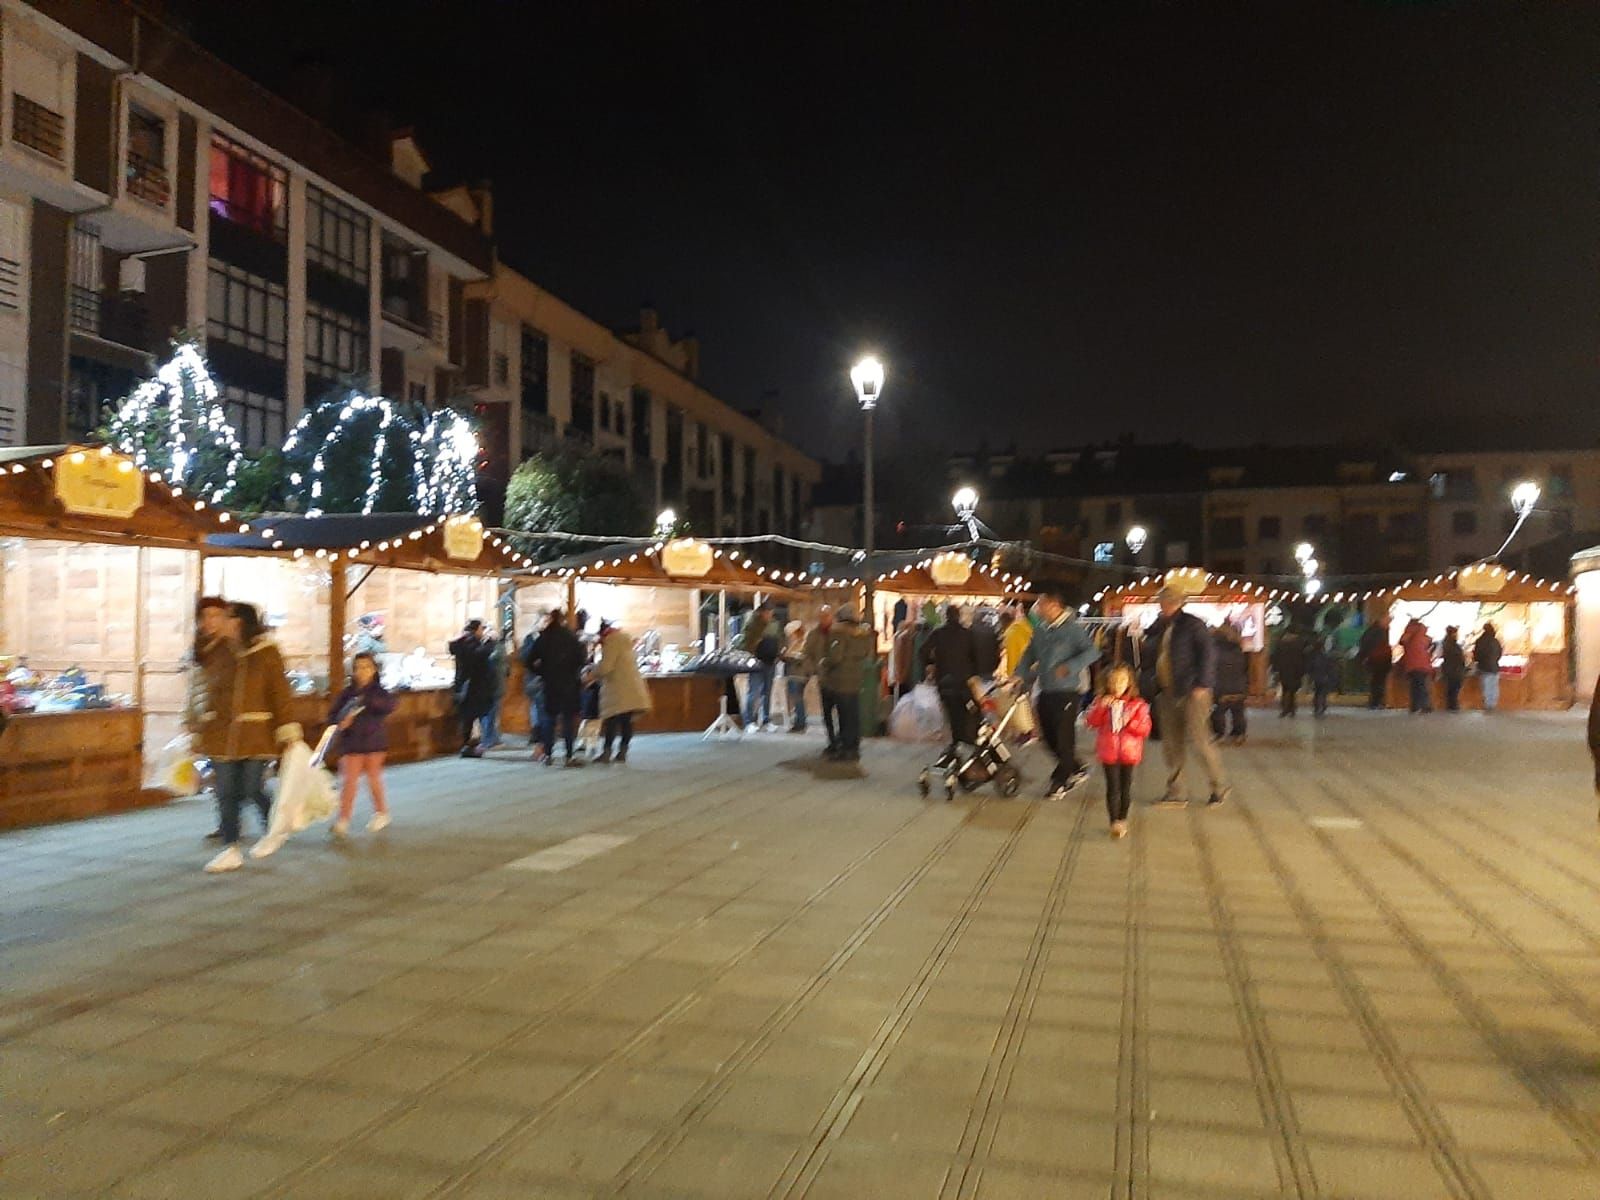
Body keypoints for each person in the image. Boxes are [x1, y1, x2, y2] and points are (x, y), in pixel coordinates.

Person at [200, 603, 298, 873]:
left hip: (257, 734)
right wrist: (201, 724)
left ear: (241, 621)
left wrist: (287, 727)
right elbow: (208, 692)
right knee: (225, 792)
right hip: (222, 735)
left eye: (226, 617)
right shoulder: (217, 652)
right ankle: (230, 848)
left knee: (251, 787)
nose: (218, 622)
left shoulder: (267, 653)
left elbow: (280, 692)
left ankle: (275, 826)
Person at [1143, 585, 1230, 808]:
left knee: (1200, 740)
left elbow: (1208, 654)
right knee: (1172, 744)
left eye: (1167, 600)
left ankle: (1218, 786)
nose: (1163, 604)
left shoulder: (1192, 624)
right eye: (1162, 600)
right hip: (1166, 690)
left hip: (1192, 690)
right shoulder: (1159, 626)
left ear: (1178, 602)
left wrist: (1203, 683)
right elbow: (1150, 651)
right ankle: (1176, 791)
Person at [1016, 588, 1100, 800]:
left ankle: (1061, 781)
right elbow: (1029, 654)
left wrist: (1070, 666)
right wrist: (1019, 674)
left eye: (1041, 604)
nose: (1038, 609)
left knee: (1064, 738)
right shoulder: (1042, 630)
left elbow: (1092, 652)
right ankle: (1076, 766)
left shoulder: (1073, 630)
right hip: (1045, 688)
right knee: (1047, 736)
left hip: (1067, 691)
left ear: (1054, 606)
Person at [189, 596, 259, 842]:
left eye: (216, 616)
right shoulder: (201, 648)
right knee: (223, 782)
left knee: (245, 784)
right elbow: (197, 687)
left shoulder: (234, 649)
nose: (209, 622)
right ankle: (229, 828)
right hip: (212, 724)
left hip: (236, 725)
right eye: (205, 616)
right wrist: (193, 719)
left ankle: (246, 821)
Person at [328, 651, 395, 836]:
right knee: (348, 781)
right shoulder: (347, 693)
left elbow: (388, 706)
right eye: (358, 668)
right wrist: (340, 721)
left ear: (374, 670)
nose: (362, 671)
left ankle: (382, 812)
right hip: (351, 742)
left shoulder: (379, 692)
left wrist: (366, 699)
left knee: (373, 779)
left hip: (374, 742)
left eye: (366, 667)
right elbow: (333, 715)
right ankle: (343, 819)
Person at [1084, 664, 1152, 839]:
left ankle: (1123, 818)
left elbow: (1145, 728)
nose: (1117, 686)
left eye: (1122, 681)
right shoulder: (1102, 702)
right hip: (1109, 751)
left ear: (1129, 682)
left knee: (1125, 787)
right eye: (1113, 682)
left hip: (1129, 752)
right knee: (1112, 787)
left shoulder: (1138, 705)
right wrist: (1100, 707)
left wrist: (1129, 722)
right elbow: (1091, 722)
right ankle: (1114, 821)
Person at [920, 604, 982, 759]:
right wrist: (973, 672)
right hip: (964, 681)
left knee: (952, 713)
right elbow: (976, 656)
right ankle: (968, 741)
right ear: (959, 616)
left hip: (944, 681)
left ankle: (956, 742)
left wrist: (931, 664)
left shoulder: (938, 633)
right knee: (969, 711)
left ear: (946, 616)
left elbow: (922, 651)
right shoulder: (967, 634)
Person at [529, 609, 585, 766]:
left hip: (550, 684)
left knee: (549, 720)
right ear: (563, 620)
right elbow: (581, 659)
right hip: (569, 684)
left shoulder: (543, 637)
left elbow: (529, 660)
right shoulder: (571, 638)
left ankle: (548, 754)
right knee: (568, 721)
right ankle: (568, 755)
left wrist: (542, 672)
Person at [594, 619, 651, 763]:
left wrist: (593, 671)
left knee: (611, 720)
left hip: (617, 688)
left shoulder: (611, 642)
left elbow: (606, 667)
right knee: (626, 721)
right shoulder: (625, 640)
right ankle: (623, 752)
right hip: (632, 687)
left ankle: (606, 752)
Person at [821, 604, 872, 763]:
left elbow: (836, 656)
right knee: (853, 716)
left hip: (840, 680)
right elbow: (865, 653)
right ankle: (854, 748)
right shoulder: (862, 632)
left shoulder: (838, 631)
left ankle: (845, 750)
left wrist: (825, 662)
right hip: (856, 679)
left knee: (844, 717)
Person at [448, 619, 497, 757]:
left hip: (464, 685)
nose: (483, 632)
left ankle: (468, 745)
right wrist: (490, 642)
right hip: (473, 687)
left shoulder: (462, 642)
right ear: (476, 630)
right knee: (473, 716)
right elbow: (478, 657)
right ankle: (469, 746)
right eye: (481, 629)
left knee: (468, 718)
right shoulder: (471, 643)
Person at [740, 601, 780, 731]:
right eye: (767, 612)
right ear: (761, 612)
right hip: (756, 661)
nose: (769, 614)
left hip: (770, 661)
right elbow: (746, 642)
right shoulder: (753, 624)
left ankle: (766, 720)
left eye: (771, 612)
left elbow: (778, 640)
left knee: (767, 692)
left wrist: (778, 653)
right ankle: (749, 721)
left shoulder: (774, 624)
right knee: (754, 692)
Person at [1210, 623, 1249, 744]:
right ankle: (1239, 733)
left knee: (1218, 712)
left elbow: (1211, 670)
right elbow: (1245, 668)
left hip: (1221, 687)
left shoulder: (1214, 652)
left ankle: (1219, 733)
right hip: (1238, 686)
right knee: (1238, 712)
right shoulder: (1239, 650)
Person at [519, 625, 548, 760]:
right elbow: (525, 658)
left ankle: (541, 745)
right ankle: (539, 739)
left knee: (541, 711)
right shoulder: (531, 638)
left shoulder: (548, 638)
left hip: (543, 680)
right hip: (534, 680)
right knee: (537, 709)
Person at [1400, 618, 1434, 714]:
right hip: (1424, 664)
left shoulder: (1410, 632)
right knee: (1422, 685)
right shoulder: (1423, 634)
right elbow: (1430, 642)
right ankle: (1424, 705)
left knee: (1415, 686)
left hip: (1413, 664)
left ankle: (1417, 706)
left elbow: (1402, 641)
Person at [1271, 626, 1307, 718]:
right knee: (1292, 691)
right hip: (1295, 671)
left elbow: (1275, 657)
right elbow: (1302, 658)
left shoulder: (1281, 643)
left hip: (1284, 670)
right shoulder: (1299, 643)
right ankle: (1291, 709)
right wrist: (1303, 670)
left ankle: (1285, 709)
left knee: (1285, 689)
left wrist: (1275, 669)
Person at [782, 620, 811, 733]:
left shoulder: (804, 643)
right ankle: (799, 721)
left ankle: (801, 722)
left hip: (799, 674)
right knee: (796, 698)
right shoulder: (795, 643)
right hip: (794, 674)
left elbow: (802, 657)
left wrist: (790, 656)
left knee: (798, 698)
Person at [1358, 616, 1392, 709]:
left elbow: (1364, 645)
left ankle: (1375, 702)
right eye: (1388, 622)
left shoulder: (1372, 631)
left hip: (1376, 661)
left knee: (1376, 682)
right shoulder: (1379, 632)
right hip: (1379, 661)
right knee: (1378, 682)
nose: (1389, 625)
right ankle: (1376, 702)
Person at [1474, 622, 1503, 711]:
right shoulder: (1496, 641)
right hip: (1495, 667)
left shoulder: (1480, 641)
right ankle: (1493, 704)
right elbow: (1499, 653)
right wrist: (1495, 660)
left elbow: (1476, 655)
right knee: (1494, 686)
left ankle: (1488, 705)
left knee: (1486, 687)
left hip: (1484, 668)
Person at [1309, 635, 1340, 718]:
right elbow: (1330, 668)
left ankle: (1318, 707)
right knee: (1322, 693)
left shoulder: (1313, 656)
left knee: (1317, 692)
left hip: (1317, 678)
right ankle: (1322, 706)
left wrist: (1311, 676)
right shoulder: (1325, 656)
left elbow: (1310, 668)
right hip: (1324, 677)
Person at [1000, 604, 1034, 678]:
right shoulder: (1028, 627)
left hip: (1018, 673)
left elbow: (1012, 657)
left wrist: (1010, 676)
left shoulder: (1011, 632)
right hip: (1029, 671)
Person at [1440, 626, 1467, 712]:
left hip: (1449, 669)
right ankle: (1453, 705)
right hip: (1456, 670)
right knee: (1454, 688)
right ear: (1453, 634)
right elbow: (1460, 658)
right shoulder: (1454, 645)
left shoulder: (1446, 644)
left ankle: (1451, 705)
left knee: (1451, 688)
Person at [969, 607, 1001, 678]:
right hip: (991, 668)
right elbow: (997, 650)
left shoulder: (970, 631)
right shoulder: (992, 632)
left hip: (976, 670)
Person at [890, 619, 917, 701]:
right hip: (904, 673)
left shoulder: (899, 637)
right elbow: (905, 656)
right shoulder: (906, 638)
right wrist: (903, 673)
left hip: (900, 672)